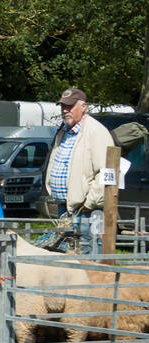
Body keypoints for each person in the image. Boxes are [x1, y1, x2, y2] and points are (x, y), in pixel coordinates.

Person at [45, 87, 114, 255]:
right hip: (65, 208)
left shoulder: (96, 132)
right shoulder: (64, 131)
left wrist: (89, 202)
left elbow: (107, 172)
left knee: (88, 256)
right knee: (67, 258)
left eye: (70, 106)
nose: (65, 110)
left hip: (86, 211)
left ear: (83, 106)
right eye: (63, 107)